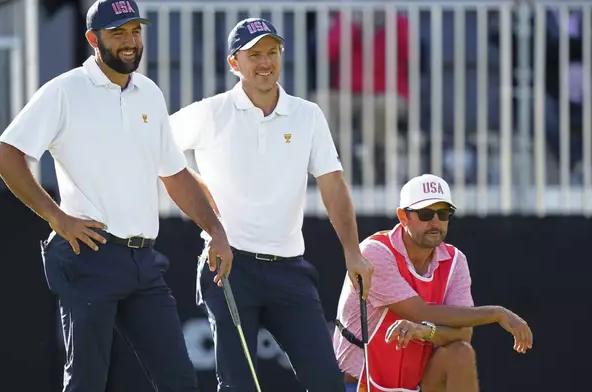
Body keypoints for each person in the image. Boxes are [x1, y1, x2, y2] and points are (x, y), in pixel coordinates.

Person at [0, 1, 233, 391]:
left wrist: (216, 231)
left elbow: (173, 174)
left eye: (135, 31)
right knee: (87, 381)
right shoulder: (65, 91)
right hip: (90, 256)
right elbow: (5, 155)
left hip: (143, 262)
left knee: (179, 380)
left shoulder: (149, 93)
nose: (130, 41)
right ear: (93, 39)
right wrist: (58, 218)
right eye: (118, 32)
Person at [165, 17, 374, 392]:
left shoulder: (307, 115)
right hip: (229, 268)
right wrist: (202, 197)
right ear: (234, 64)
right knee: (239, 386)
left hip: (290, 271)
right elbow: (157, 149)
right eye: (254, 54)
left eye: (272, 52)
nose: (265, 62)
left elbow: (333, 184)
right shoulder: (211, 112)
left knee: (327, 380)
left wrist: (352, 252)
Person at [333, 174, 533, 392]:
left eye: (443, 213)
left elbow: (463, 334)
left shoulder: (455, 260)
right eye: (426, 213)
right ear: (403, 217)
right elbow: (419, 311)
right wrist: (496, 313)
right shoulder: (375, 252)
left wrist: (424, 332)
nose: (435, 222)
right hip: (358, 384)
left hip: (412, 385)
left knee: (461, 353)